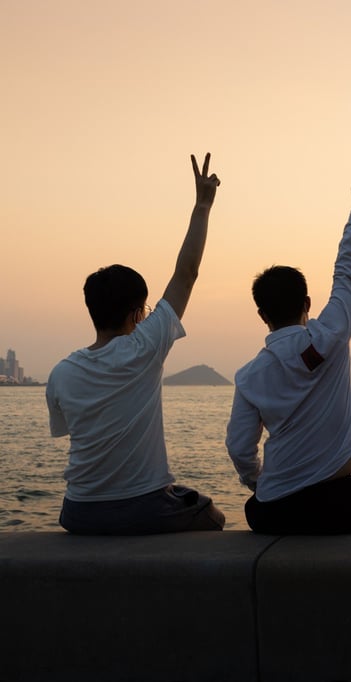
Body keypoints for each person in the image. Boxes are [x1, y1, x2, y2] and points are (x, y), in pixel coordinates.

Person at [46, 153, 226, 534]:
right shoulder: (144, 348)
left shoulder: (61, 373)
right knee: (212, 516)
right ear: (136, 313)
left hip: (78, 513)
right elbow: (186, 274)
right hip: (143, 508)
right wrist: (202, 205)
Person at [226, 166, 351, 535]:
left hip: (274, 509)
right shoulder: (330, 334)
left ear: (262, 314)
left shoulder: (249, 375)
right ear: (308, 302)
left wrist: (257, 481)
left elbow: (239, 447)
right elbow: (348, 272)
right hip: (335, 503)